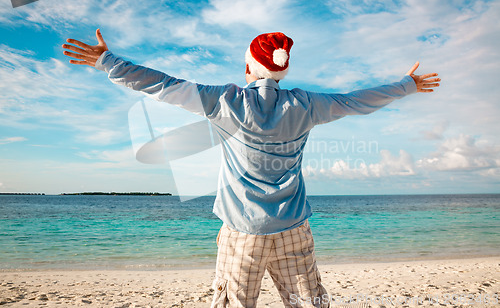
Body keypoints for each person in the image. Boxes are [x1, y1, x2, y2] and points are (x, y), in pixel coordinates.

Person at [62, 29, 440, 308]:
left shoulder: (225, 100)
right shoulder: (307, 104)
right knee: (310, 303)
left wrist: (106, 61)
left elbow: (163, 85)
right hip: (294, 228)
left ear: (248, 67)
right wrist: (406, 85)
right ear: (281, 71)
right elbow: (357, 100)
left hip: (243, 233)